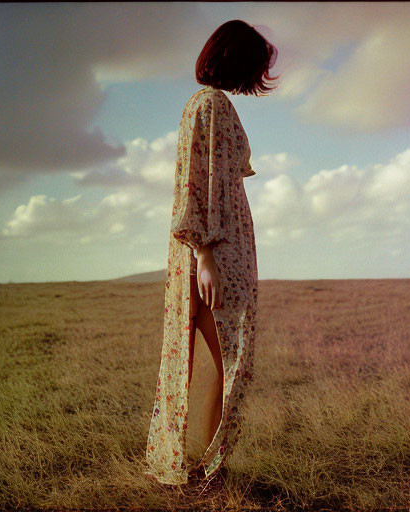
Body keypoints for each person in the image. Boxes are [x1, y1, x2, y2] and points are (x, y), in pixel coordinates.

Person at [143, 19, 277, 489]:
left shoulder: (204, 105)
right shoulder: (211, 105)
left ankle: (208, 467)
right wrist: (204, 256)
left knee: (226, 365)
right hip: (216, 255)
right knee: (230, 363)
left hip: (219, 251)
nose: (256, 79)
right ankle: (208, 470)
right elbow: (195, 186)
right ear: (235, 60)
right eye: (254, 66)